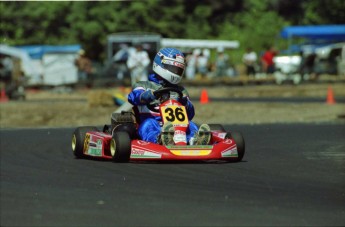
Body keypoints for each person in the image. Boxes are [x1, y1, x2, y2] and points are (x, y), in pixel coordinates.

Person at [127, 47, 211, 146]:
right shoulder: (144, 85)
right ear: (160, 64)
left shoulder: (181, 91)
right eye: (173, 69)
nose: (175, 72)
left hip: (179, 125)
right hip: (154, 122)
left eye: (178, 70)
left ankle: (194, 140)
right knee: (147, 125)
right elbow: (133, 97)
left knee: (191, 125)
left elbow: (191, 114)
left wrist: (185, 103)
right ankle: (160, 139)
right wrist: (147, 95)